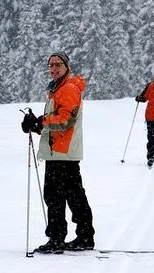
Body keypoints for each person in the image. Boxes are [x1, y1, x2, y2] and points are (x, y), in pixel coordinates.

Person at [21, 51, 95, 254]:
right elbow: (59, 120)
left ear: (66, 66)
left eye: (58, 65)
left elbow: (64, 120)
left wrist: (40, 122)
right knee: (74, 195)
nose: (53, 69)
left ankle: (57, 239)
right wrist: (37, 125)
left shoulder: (68, 88)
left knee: (55, 196)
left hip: (62, 152)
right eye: (51, 65)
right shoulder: (59, 89)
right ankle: (84, 236)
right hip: (63, 151)